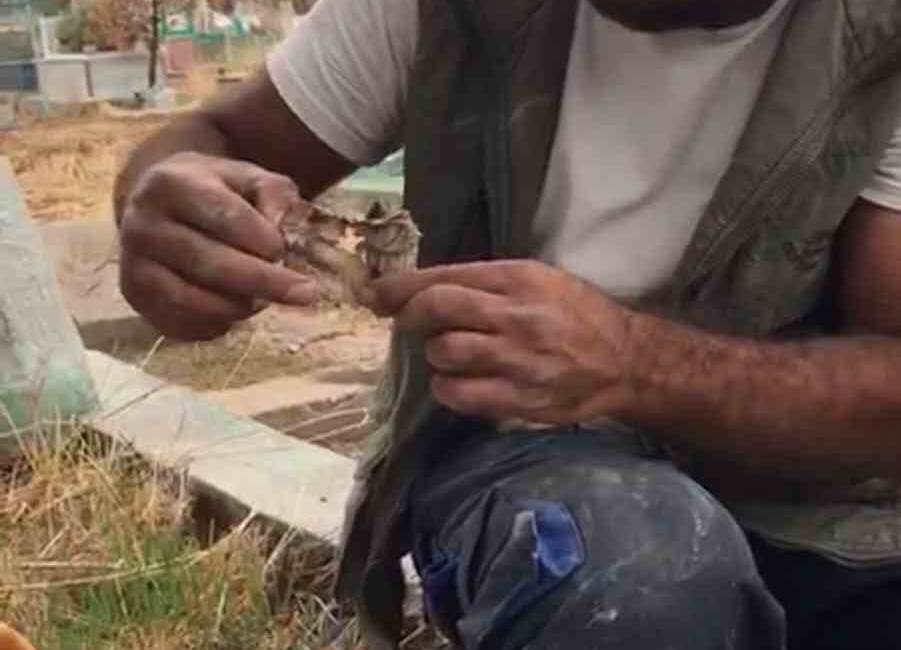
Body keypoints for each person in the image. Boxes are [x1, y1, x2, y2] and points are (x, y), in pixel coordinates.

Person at [114, 0, 901, 648]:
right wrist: (166, 207)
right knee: (640, 581)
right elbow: (213, 141)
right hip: (527, 456)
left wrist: (638, 363)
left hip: (817, 490)